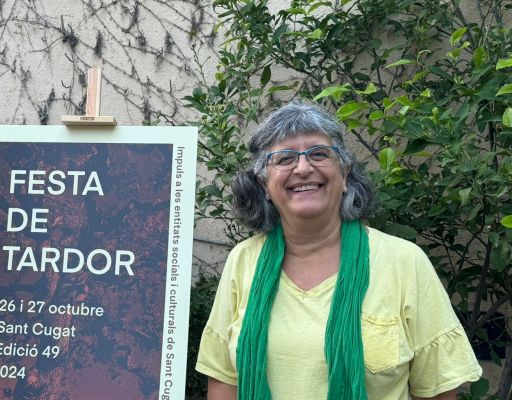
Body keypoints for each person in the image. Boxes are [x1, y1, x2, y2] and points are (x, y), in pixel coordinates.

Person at [196, 100, 481, 400]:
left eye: (319, 154)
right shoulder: (243, 260)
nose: (303, 168)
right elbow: (224, 378)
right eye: (284, 159)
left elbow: (437, 391)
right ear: (263, 183)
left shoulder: (404, 262)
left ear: (344, 173)